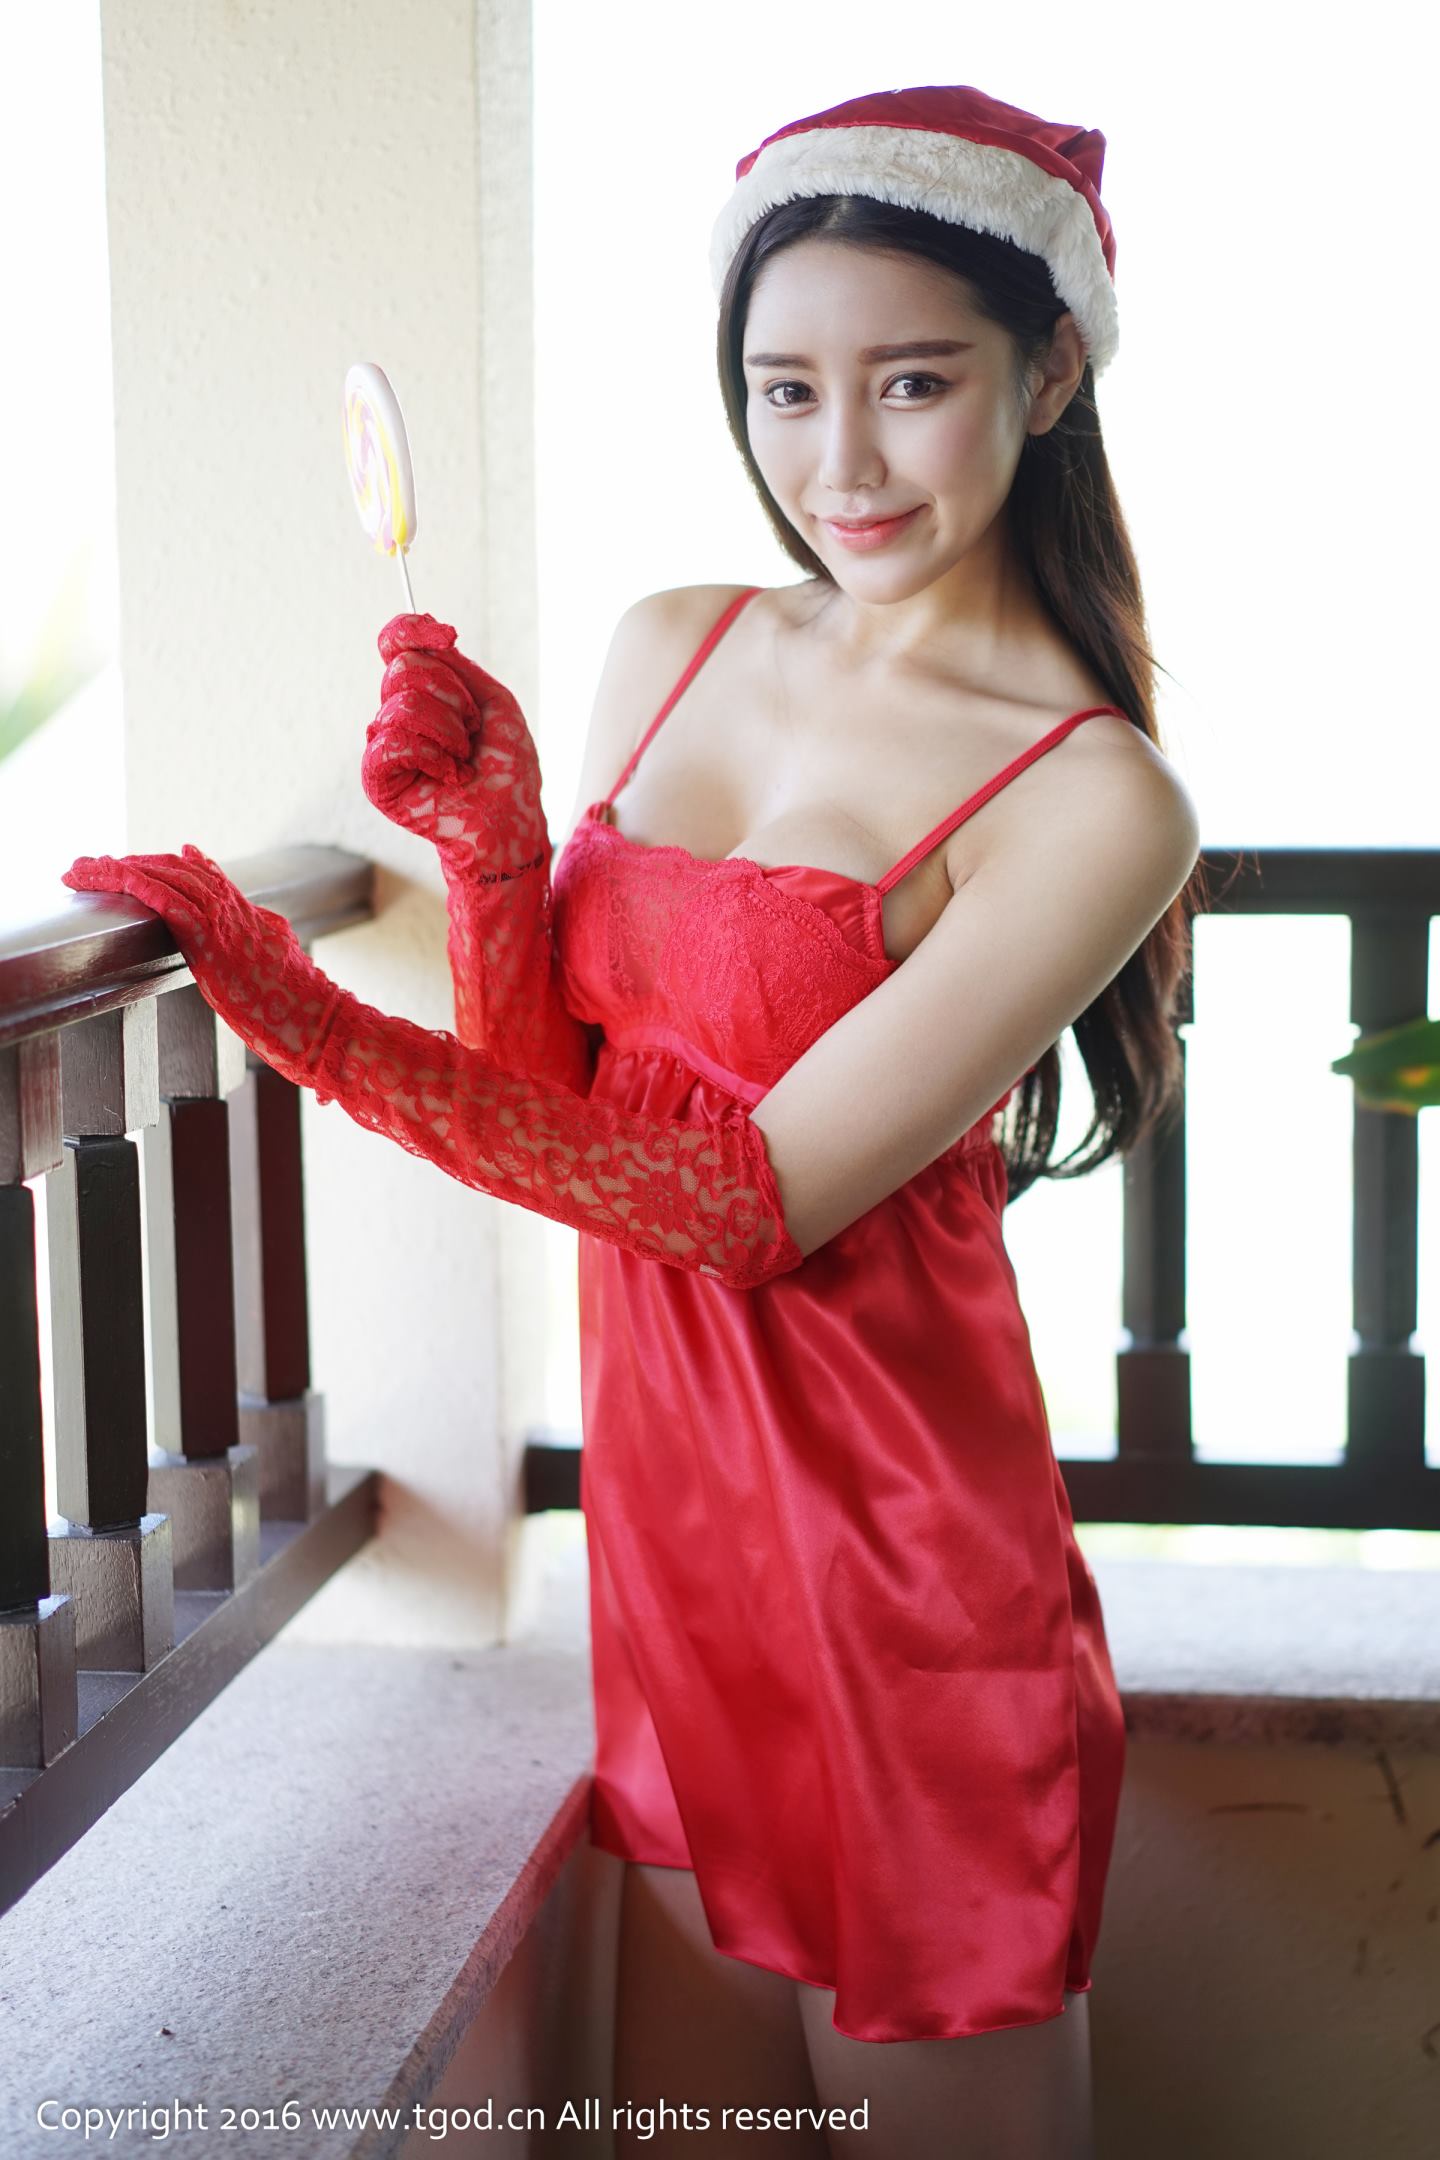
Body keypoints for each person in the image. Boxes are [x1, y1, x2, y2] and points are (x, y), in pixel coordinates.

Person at [63, 83, 1203, 2160]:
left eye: (915, 384)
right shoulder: (674, 645)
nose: (839, 464)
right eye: (785, 390)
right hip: (676, 1558)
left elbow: (740, 1198)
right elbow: (557, 1102)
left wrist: (305, 1014)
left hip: (898, 1584)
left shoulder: (1091, 795)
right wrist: (500, 860)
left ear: (1050, 375)